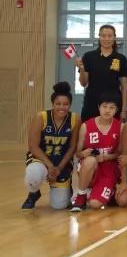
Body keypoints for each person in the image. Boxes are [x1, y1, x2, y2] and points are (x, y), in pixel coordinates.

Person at [22, 82, 80, 210]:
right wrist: (50, 166)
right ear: (52, 104)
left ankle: (67, 186)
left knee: (59, 205)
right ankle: (33, 193)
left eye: (65, 104)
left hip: (61, 163)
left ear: (70, 105)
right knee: (33, 174)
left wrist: (58, 168)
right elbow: (33, 146)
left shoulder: (75, 119)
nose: (62, 107)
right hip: (41, 159)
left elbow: (72, 147)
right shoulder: (41, 117)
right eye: (58, 104)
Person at [71, 94, 122, 211]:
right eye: (105, 106)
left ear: (116, 110)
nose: (107, 110)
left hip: (109, 169)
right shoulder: (86, 126)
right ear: (99, 107)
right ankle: (81, 195)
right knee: (90, 160)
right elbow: (77, 153)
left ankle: (108, 190)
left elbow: (120, 153)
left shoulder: (121, 127)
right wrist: (83, 153)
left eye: (112, 107)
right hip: (89, 167)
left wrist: (105, 157)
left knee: (95, 204)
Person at [76, 24, 127, 122]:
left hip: (113, 105)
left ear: (114, 38)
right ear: (99, 37)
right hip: (92, 103)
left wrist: (124, 109)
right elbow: (83, 83)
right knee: (88, 130)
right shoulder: (88, 56)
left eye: (110, 36)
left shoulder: (121, 58)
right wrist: (82, 69)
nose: (106, 39)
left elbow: (125, 86)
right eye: (103, 36)